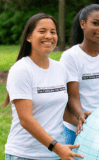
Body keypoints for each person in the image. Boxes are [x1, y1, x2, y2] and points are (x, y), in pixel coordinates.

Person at [4, 13, 83, 160]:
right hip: (25, 155)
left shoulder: (60, 68)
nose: (49, 36)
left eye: (53, 32)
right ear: (29, 37)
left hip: (56, 153)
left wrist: (83, 120)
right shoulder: (21, 70)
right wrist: (57, 148)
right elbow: (26, 119)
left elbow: (59, 110)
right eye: (42, 31)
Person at [59, 4, 99, 145]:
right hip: (78, 126)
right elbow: (73, 96)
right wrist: (80, 117)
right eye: (95, 23)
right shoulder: (70, 56)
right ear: (83, 24)